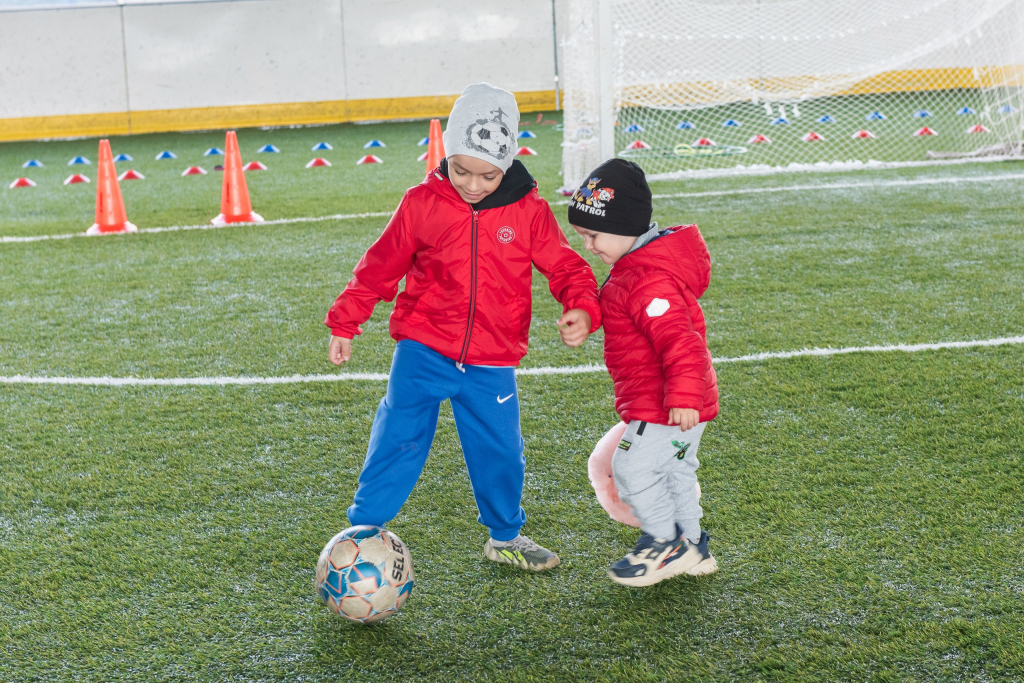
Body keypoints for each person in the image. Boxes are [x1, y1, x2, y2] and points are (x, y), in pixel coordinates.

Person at [325, 83, 600, 571]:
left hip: (492, 358)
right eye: (461, 170)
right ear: (447, 155)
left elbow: (566, 267)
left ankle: (505, 536)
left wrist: (581, 306)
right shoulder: (420, 203)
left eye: (488, 175)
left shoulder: (529, 211)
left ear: (508, 162)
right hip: (423, 347)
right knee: (398, 434)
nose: (473, 184)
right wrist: (346, 321)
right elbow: (379, 267)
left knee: (499, 450)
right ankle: (363, 528)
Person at [568, 159, 720, 587]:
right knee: (675, 473)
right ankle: (693, 545)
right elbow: (619, 311)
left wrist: (684, 397)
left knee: (631, 468)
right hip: (673, 401)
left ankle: (662, 543)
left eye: (593, 235)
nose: (589, 246)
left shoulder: (648, 280)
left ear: (625, 226)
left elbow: (681, 341)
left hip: (667, 405)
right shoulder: (634, 271)